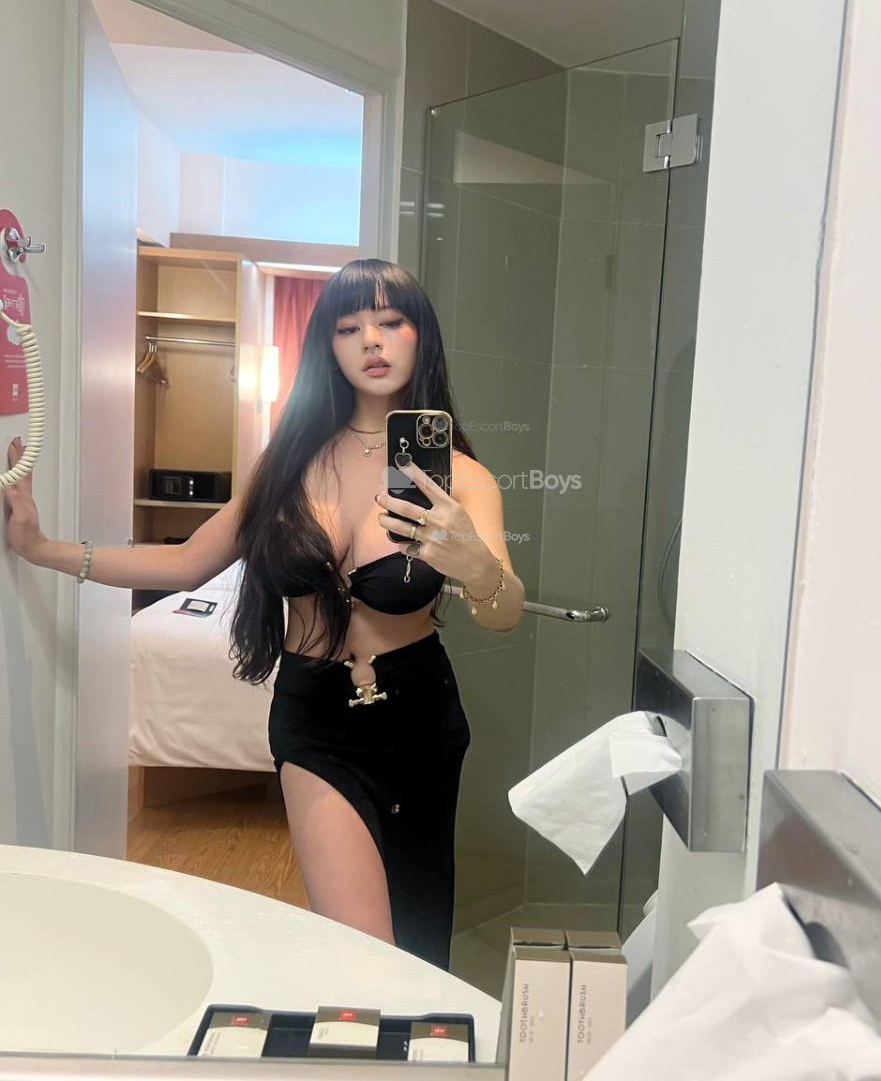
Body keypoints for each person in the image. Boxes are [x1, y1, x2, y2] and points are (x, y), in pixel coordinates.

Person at [3, 259, 525, 971]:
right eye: (348, 326)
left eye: (390, 321)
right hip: (315, 721)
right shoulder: (286, 463)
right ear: (327, 345)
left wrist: (478, 567)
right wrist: (42, 549)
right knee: (363, 954)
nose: (371, 340)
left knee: (422, 946)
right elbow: (187, 564)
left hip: (418, 718)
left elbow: (503, 614)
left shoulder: (460, 477)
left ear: (420, 336)